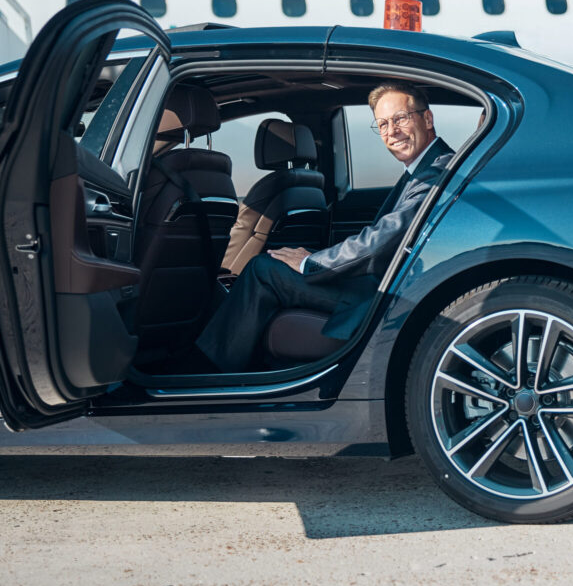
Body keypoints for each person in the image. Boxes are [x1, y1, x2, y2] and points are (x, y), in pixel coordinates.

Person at [193, 81, 455, 372]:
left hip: (384, 296)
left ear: (427, 118)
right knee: (269, 266)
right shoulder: (424, 168)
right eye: (382, 124)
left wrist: (312, 262)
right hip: (384, 283)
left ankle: (209, 371)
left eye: (400, 119)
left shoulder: (435, 172)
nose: (391, 132)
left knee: (262, 270)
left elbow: (383, 241)